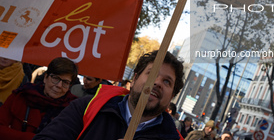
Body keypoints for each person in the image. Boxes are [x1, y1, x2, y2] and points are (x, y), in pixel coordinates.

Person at [33, 50, 185, 140]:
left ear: (172, 96)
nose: (157, 82)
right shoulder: (88, 108)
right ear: (134, 79)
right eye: (152, 74)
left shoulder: (172, 137)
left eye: (167, 81)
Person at [0, 57, 78, 140]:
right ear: (45, 77)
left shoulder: (73, 109)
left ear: (70, 86)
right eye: (55, 78)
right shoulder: (22, 95)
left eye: (65, 82)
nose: (59, 85)